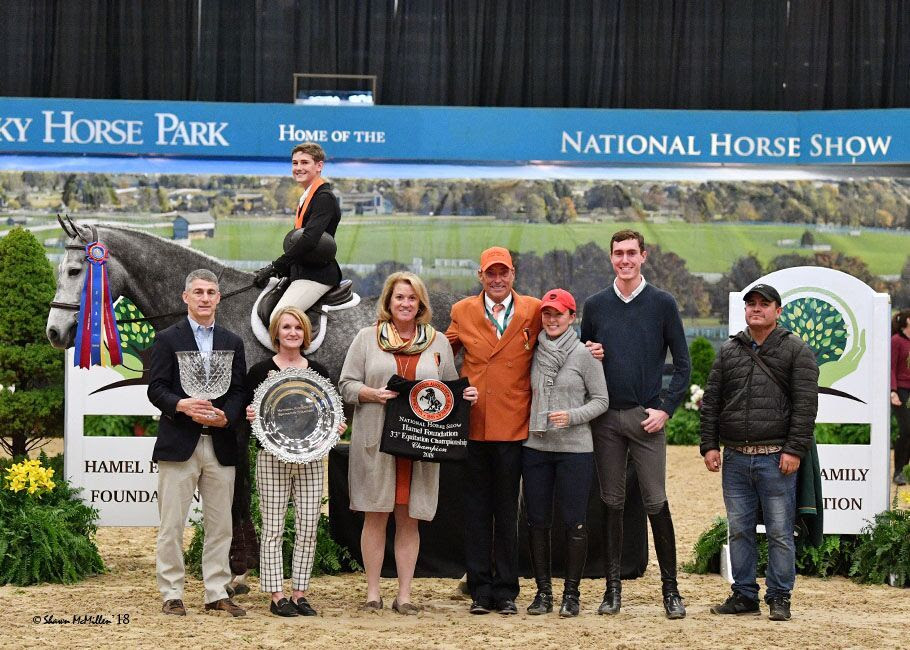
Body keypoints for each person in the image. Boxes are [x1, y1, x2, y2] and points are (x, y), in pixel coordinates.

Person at [446, 247, 603, 615]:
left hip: (515, 426)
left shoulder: (533, 309)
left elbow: (560, 332)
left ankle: (506, 590)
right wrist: (452, 387)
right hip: (475, 425)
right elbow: (440, 353)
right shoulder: (462, 311)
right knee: (476, 512)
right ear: (480, 276)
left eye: (503, 273)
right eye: (490, 273)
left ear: (513, 274)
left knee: (507, 512)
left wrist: (590, 348)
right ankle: (480, 590)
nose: (497, 280)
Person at [339, 272, 478, 614]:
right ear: (388, 301)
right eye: (399, 297)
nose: (405, 303)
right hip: (377, 443)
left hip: (419, 446)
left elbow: (448, 391)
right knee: (375, 517)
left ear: (421, 304)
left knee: (409, 519)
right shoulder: (366, 338)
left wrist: (465, 396)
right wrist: (371, 393)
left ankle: (404, 595)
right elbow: (346, 385)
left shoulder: (438, 342)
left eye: (412, 298)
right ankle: (372, 593)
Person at [580, 230, 690, 619]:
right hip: (606, 420)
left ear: (644, 256)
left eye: (631, 253)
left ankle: (671, 592)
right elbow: (583, 361)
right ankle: (612, 591)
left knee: (656, 502)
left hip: (647, 419)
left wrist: (666, 409)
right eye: (618, 254)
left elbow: (683, 364)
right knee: (611, 503)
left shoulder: (662, 303)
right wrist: (590, 352)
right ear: (611, 258)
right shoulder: (595, 305)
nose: (624, 260)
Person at [700, 283, 819, 621]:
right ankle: (744, 594)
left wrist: (793, 450)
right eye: (751, 303)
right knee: (739, 529)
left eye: (764, 304)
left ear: (778, 311)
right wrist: (709, 444)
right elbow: (712, 401)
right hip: (735, 457)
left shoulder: (796, 350)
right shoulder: (729, 350)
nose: (756, 308)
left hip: (776, 456)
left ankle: (780, 597)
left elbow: (805, 406)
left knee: (780, 532)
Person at [147, 269, 248, 617]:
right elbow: (156, 389)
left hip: (220, 443)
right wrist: (181, 405)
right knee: (172, 525)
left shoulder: (233, 341)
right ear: (185, 297)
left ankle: (216, 592)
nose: (205, 298)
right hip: (180, 442)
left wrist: (227, 417)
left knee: (221, 525)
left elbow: (239, 391)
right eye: (199, 292)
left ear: (218, 298)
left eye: (211, 292)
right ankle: (171, 593)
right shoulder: (166, 339)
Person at [244, 306, 345, 617]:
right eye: (286, 327)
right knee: (273, 528)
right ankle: (277, 595)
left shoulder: (318, 372)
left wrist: (336, 427)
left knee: (308, 527)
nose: (292, 333)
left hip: (310, 459)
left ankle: (300, 593)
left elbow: (329, 413)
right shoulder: (259, 371)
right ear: (276, 332)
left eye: (298, 328)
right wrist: (250, 414)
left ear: (306, 334)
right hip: (271, 457)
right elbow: (248, 413)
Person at [523, 288, 609, 617]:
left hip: (575, 449)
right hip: (536, 446)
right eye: (547, 313)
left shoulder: (585, 355)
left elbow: (601, 400)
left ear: (572, 317)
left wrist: (572, 416)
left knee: (575, 522)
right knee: (537, 521)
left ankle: (571, 594)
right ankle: (543, 592)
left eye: (558, 314)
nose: (552, 319)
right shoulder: (531, 351)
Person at [254, 142, 342, 318]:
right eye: (295, 163)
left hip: (316, 275)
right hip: (300, 272)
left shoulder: (323, 198)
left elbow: (309, 239)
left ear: (319, 166)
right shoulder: (307, 196)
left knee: (280, 317)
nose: (298, 167)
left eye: (304, 162)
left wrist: (276, 266)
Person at [890, 310, 910, 485]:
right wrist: (893, 390)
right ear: (907, 321)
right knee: (906, 430)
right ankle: (898, 471)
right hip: (902, 390)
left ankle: (906, 470)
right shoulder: (896, 341)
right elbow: (891, 367)